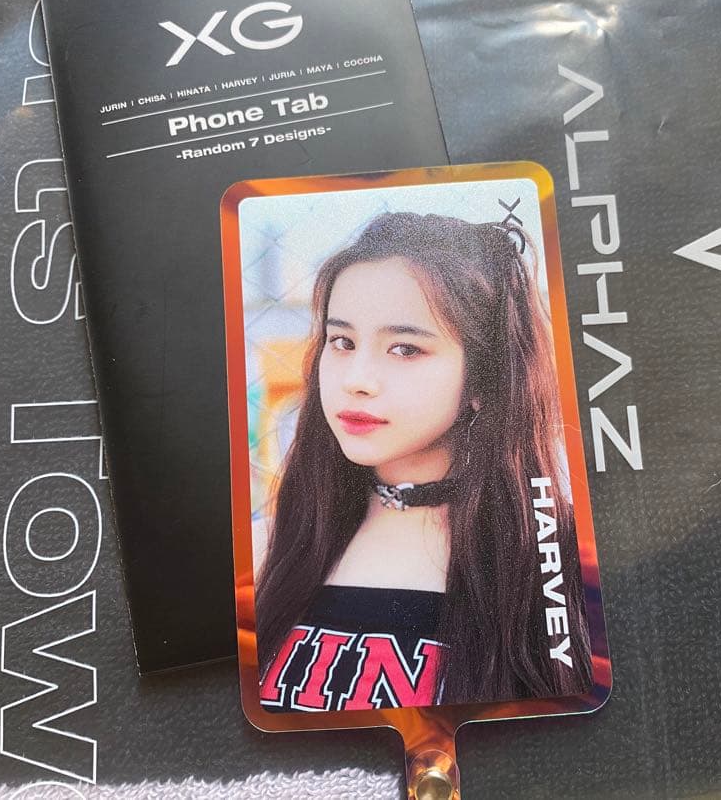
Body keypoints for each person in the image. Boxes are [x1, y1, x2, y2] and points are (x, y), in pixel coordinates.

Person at [253, 211, 592, 712]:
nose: (356, 379)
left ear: (483, 378)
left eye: (405, 349)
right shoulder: (272, 546)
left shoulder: (555, 557)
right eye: (342, 342)